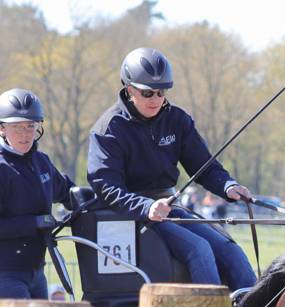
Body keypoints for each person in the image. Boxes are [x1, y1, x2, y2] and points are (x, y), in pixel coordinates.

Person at [87, 47, 256, 290]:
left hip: (169, 207)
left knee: (230, 251)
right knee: (199, 249)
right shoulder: (109, 129)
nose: (156, 99)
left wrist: (228, 186)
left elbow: (204, 166)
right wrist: (146, 206)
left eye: (161, 92)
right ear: (129, 89)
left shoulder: (177, 120)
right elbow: (106, 186)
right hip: (132, 213)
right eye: (147, 93)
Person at [0, 89, 75, 299]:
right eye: (17, 127)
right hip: (5, 274)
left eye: (30, 126)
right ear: (2, 128)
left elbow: (68, 193)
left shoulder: (42, 162)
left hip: (37, 272)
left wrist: (100, 201)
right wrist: (34, 223)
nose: (25, 134)